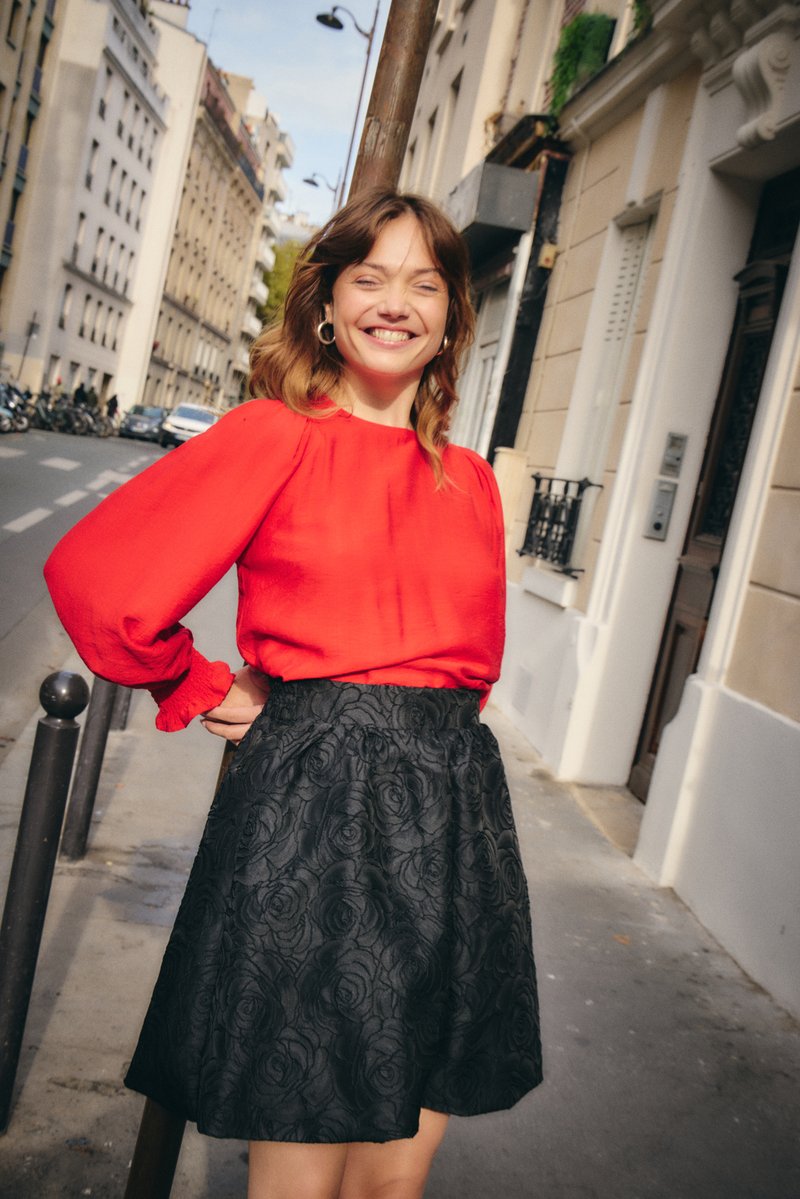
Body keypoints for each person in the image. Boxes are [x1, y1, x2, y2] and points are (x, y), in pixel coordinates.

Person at [44, 188, 543, 1199]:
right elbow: (100, 580)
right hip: (315, 812)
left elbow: (465, 676)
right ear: (328, 303)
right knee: (300, 1163)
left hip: (453, 819)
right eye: (370, 278)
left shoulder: (478, 484)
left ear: (451, 315)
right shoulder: (277, 435)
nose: (394, 302)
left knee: (396, 1172)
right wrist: (211, 687)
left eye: (422, 282)